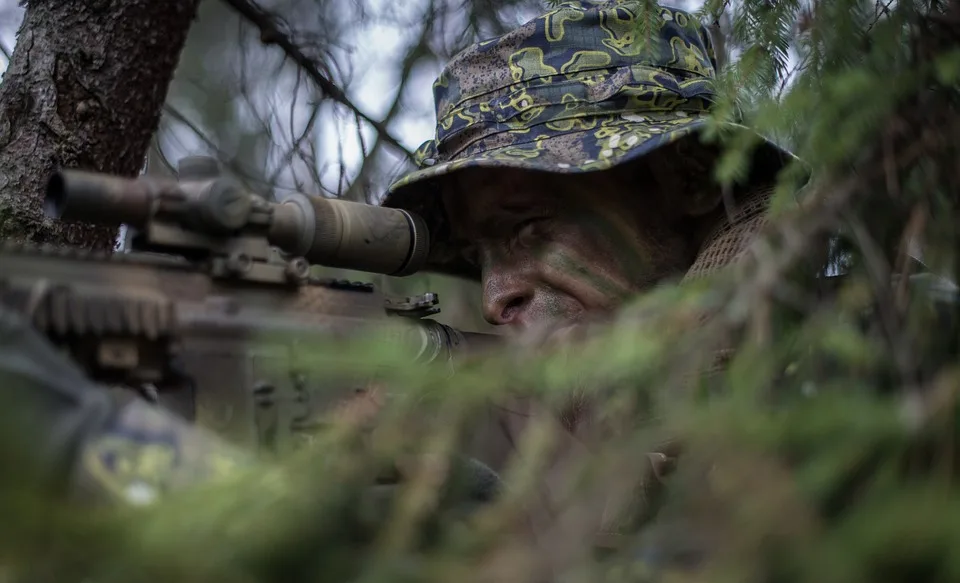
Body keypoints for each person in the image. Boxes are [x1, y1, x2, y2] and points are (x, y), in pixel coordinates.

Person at [0, 2, 795, 527]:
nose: (491, 297)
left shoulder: (880, 349)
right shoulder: (549, 421)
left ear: (687, 180)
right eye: (478, 254)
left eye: (528, 228)